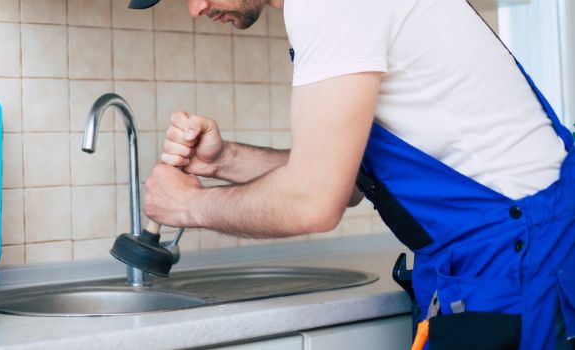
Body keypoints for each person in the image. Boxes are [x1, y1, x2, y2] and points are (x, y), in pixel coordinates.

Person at [129, 0, 575, 348]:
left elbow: (314, 201)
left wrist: (187, 205)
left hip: (522, 263)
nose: (194, 8)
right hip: (512, 255)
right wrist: (223, 161)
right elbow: (347, 183)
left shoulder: (329, 5)